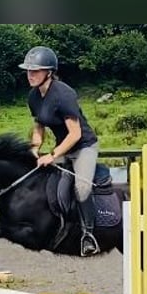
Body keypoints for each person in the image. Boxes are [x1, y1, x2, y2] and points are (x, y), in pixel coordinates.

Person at [19, 46, 100, 257]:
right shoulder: (33, 97)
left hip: (83, 147)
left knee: (81, 187)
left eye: (35, 71)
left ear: (49, 72)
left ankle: (88, 236)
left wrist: (52, 155)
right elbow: (39, 127)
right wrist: (35, 148)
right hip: (62, 147)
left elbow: (75, 134)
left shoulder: (63, 94)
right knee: (52, 187)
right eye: (28, 71)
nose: (30, 75)